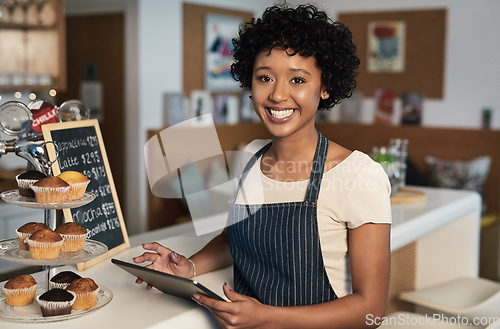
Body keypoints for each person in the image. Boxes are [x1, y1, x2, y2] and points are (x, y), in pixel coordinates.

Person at [133, 3, 391, 328]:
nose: (278, 95)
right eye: (265, 77)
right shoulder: (252, 157)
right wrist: (189, 268)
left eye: (298, 80)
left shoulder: (358, 175)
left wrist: (266, 318)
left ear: (325, 88)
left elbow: (371, 310)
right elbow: (237, 239)